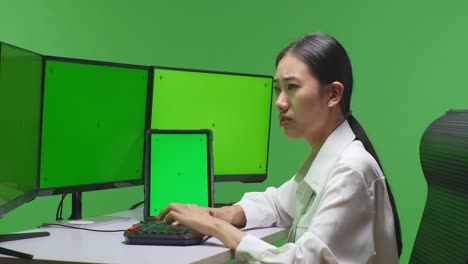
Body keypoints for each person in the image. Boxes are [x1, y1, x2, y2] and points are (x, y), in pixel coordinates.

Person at [158, 32, 402, 263]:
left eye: (292, 87)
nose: (280, 102)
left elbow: (302, 262)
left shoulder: (351, 170)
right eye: (277, 89)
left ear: (333, 94)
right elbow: (279, 203)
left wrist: (214, 227)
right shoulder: (328, 158)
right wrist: (220, 214)